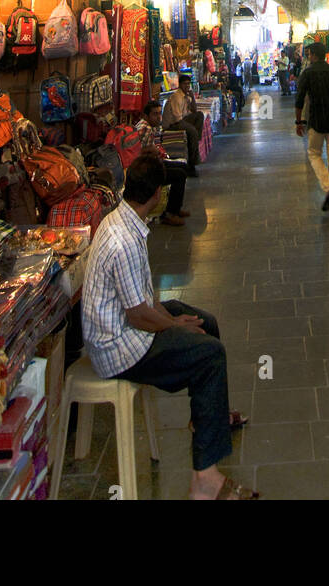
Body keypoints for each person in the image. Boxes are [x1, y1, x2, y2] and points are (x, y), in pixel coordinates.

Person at [82, 153, 259, 500]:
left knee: (206, 323)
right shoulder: (124, 241)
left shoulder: (122, 220)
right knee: (210, 354)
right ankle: (205, 480)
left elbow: (141, 300)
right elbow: (138, 316)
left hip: (129, 323)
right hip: (120, 346)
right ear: (157, 194)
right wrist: (173, 324)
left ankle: (207, 419)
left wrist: (173, 319)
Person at [294, 42, 329, 211]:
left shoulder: (307, 73)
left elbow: (299, 99)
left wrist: (299, 121)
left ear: (314, 55)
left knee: (314, 153)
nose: (308, 57)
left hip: (316, 120)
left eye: (309, 55)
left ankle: (327, 185)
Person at [133, 99, 190, 228]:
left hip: (152, 163)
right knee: (179, 175)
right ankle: (170, 214)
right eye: (155, 114)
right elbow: (139, 153)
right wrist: (153, 151)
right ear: (146, 116)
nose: (159, 117)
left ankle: (175, 208)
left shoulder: (147, 126)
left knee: (183, 167)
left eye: (160, 113)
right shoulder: (145, 129)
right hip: (147, 170)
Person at [161, 72, 204, 177]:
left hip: (182, 120)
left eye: (188, 84)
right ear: (180, 85)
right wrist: (190, 128)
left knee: (199, 115)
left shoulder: (186, 96)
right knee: (192, 131)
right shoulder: (176, 97)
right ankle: (192, 164)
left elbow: (194, 110)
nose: (187, 86)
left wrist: (192, 97)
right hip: (172, 124)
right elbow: (177, 119)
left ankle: (194, 141)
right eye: (185, 84)